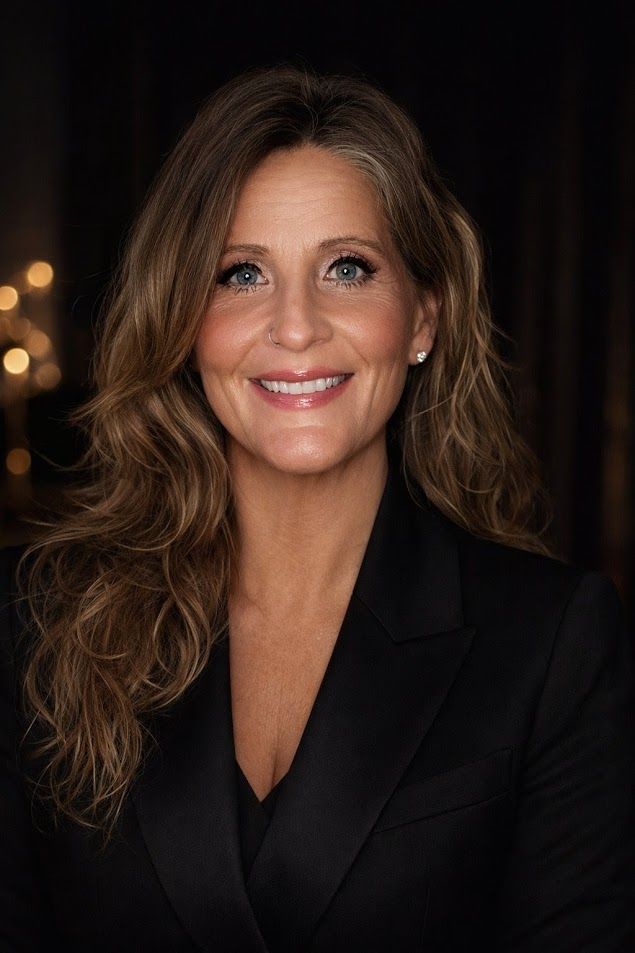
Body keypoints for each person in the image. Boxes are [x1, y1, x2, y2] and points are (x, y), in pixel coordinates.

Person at [1, 64, 634, 953]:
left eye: (347, 267)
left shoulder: (553, 642)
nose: (294, 326)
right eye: (241, 274)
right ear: (186, 323)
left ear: (422, 316)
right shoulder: (42, 621)